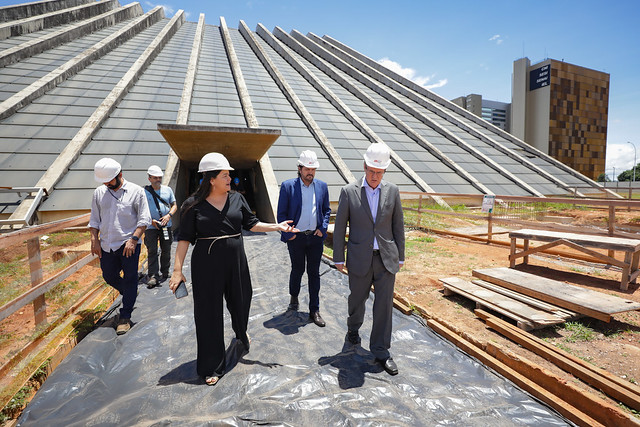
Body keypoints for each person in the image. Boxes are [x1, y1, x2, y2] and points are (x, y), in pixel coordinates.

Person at [169, 152, 298, 386]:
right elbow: (184, 239)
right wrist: (177, 270)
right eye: (225, 175)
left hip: (236, 260)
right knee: (208, 314)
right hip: (206, 265)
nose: (230, 179)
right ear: (211, 179)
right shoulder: (192, 205)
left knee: (241, 300)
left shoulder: (237, 199)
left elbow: (251, 224)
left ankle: (241, 333)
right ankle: (211, 366)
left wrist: (277, 226)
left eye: (229, 175)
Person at [332, 143, 405, 376]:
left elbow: (398, 225)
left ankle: (381, 351)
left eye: (379, 172)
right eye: (371, 171)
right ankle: (353, 328)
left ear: (385, 172)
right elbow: (340, 226)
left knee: (383, 306)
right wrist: (338, 257)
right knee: (357, 299)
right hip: (358, 258)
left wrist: (401, 255)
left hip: (386, 259)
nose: (374, 176)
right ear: (364, 167)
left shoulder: (392, 191)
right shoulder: (349, 191)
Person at [89, 158, 151, 335]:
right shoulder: (99, 193)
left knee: (131, 277)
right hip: (107, 244)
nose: (107, 184)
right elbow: (94, 219)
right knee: (109, 276)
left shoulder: (136, 192)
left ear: (120, 174)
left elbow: (144, 219)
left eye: (110, 180)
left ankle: (125, 316)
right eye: (104, 181)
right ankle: (129, 292)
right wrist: (94, 239)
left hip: (128, 244)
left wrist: (133, 239)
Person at [277, 150, 331, 327]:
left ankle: (314, 310)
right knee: (297, 270)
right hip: (297, 238)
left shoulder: (322, 186)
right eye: (307, 168)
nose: (311, 172)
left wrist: (322, 229)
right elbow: (281, 214)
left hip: (315, 238)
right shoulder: (288, 186)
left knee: (314, 273)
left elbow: (326, 210)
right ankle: (294, 297)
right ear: (299, 168)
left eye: (313, 169)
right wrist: (289, 234)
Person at [143, 165, 177, 288]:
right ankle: (153, 275)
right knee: (152, 250)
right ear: (149, 178)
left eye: (159, 177)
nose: (158, 179)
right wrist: (150, 220)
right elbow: (141, 209)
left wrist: (169, 216)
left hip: (166, 225)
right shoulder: (144, 192)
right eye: (155, 177)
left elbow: (174, 205)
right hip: (150, 226)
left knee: (166, 249)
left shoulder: (168, 190)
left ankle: (165, 271)